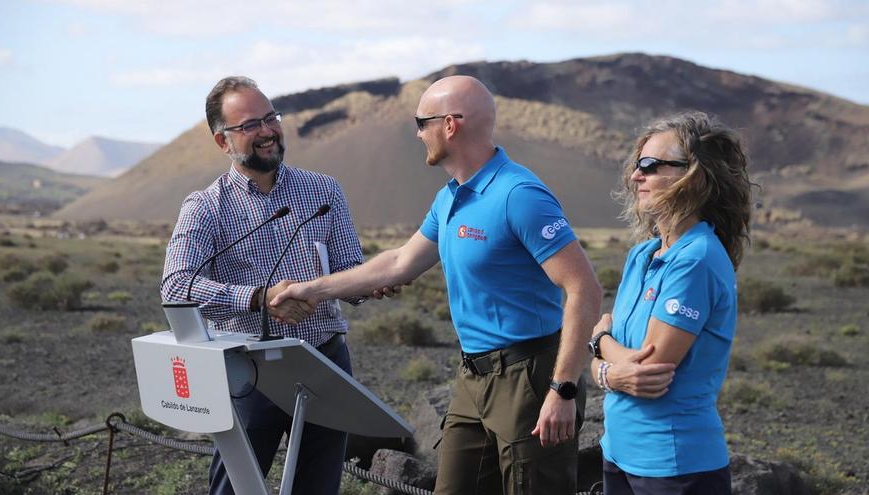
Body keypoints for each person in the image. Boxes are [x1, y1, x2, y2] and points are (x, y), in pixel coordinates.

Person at [270, 75, 602, 494]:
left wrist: (563, 389)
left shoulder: (519, 195)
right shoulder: (450, 197)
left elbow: (584, 289)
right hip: (473, 377)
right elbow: (400, 262)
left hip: (530, 376)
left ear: (450, 125)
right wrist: (311, 290)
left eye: (422, 122)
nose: (417, 132)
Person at [160, 76, 368, 495]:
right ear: (223, 142)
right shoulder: (205, 207)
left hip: (326, 362)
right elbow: (175, 287)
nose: (267, 130)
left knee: (319, 487)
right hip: (251, 372)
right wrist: (259, 298)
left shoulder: (324, 190)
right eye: (250, 124)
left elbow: (351, 270)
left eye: (271, 117)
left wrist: (369, 283)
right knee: (236, 488)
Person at [588, 111, 754, 494]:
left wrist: (599, 346)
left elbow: (649, 370)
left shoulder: (695, 258)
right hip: (618, 452)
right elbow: (623, 362)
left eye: (650, 165)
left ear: (693, 176)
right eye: (636, 165)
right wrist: (610, 364)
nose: (635, 176)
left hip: (674, 465)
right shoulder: (642, 255)